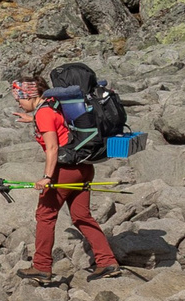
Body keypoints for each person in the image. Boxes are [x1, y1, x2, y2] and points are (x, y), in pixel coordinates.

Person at [23, 62, 121, 284]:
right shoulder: (53, 104)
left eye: (19, 98)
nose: (18, 103)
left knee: (45, 215)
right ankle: (107, 262)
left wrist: (47, 177)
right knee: (81, 216)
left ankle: (41, 266)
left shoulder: (44, 113)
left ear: (30, 95)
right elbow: (57, 122)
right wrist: (32, 119)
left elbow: (53, 148)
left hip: (66, 170)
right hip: (85, 166)